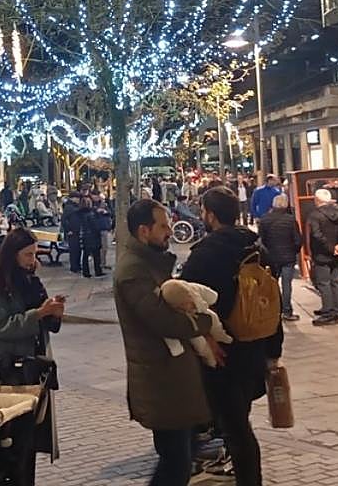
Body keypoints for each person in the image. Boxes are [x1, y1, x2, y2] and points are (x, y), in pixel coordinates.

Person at [181, 186, 284, 486]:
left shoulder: (206, 253)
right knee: (239, 419)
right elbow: (271, 299)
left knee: (235, 427)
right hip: (255, 344)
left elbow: (188, 302)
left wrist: (204, 339)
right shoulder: (256, 248)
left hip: (223, 349)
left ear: (210, 215)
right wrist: (273, 349)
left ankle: (248, 479)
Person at [115, 199, 217, 486]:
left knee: (179, 458)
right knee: (176, 462)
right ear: (143, 231)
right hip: (162, 379)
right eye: (163, 226)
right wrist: (205, 322)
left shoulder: (149, 263)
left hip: (172, 378)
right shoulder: (134, 271)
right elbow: (163, 320)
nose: (169, 231)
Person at [0, 227, 63, 463]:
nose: (32, 260)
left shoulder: (32, 280)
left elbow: (45, 321)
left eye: (34, 254)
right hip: (8, 370)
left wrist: (53, 313)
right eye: (27, 254)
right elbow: (0, 327)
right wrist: (38, 314)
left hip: (33, 368)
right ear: (13, 255)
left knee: (30, 438)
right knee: (10, 438)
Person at [307, 189, 338, 326]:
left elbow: (317, 235)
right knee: (336, 281)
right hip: (337, 253)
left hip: (322, 254)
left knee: (323, 283)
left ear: (316, 200)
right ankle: (337, 309)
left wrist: (331, 248)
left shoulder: (315, 215)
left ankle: (329, 313)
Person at [258, 193, 302, 321]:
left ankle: (272, 310)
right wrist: (295, 251)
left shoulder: (265, 219)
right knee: (287, 285)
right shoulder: (291, 220)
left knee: (272, 284)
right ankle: (287, 311)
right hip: (288, 257)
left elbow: (261, 240)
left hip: (271, 257)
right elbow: (298, 240)